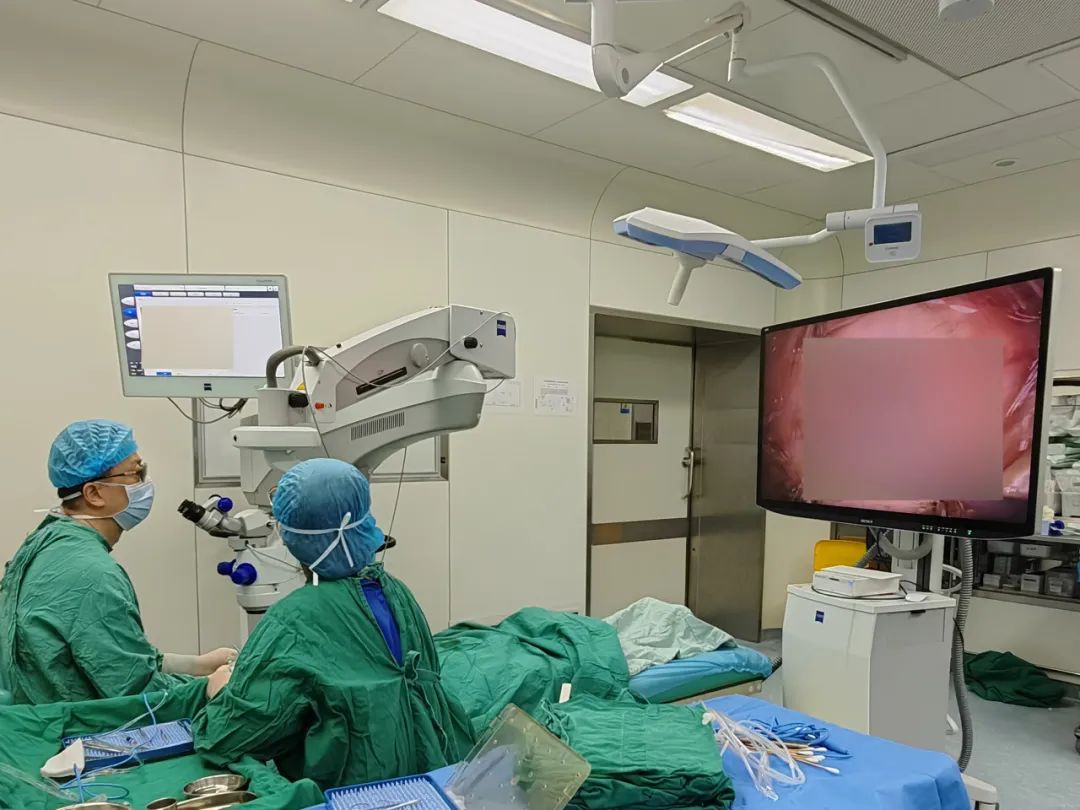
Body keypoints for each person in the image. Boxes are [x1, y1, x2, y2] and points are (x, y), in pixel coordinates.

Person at [193, 458, 473, 791]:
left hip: (354, 791)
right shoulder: (397, 593)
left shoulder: (294, 620)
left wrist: (220, 688)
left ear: (292, 537)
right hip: (435, 776)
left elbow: (230, 737)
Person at [0, 420, 234, 705]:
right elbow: (135, 692)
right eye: (137, 474)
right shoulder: (92, 574)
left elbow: (104, 653)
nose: (145, 484)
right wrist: (206, 688)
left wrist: (194, 665)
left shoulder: (51, 539)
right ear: (94, 494)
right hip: (71, 725)